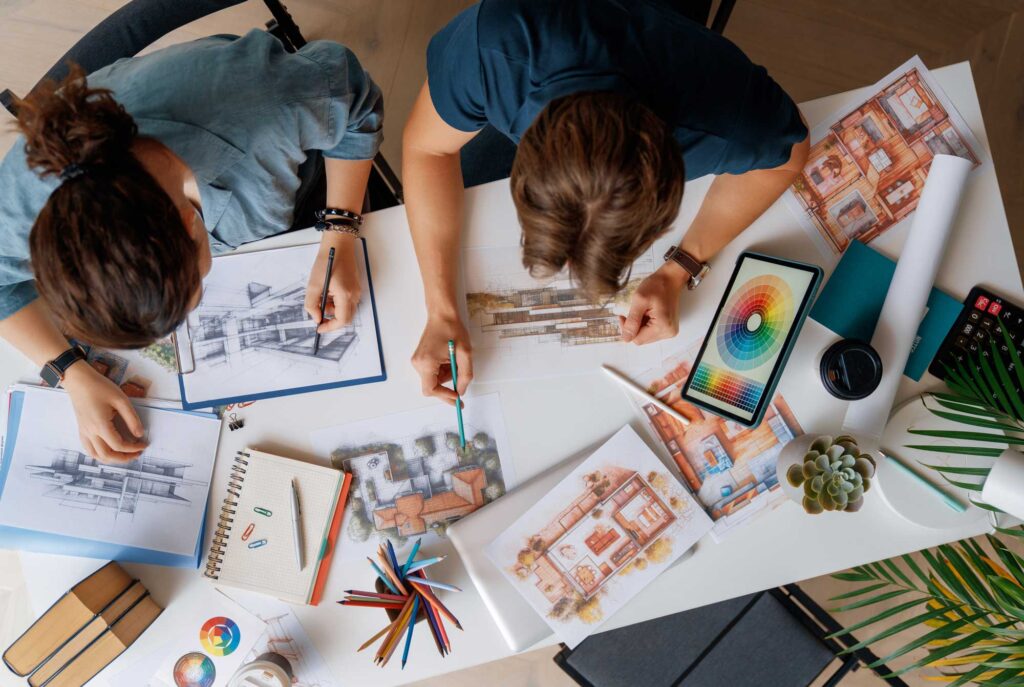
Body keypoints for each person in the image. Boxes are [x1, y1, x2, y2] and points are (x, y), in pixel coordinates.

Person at [0, 30, 383, 462]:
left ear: (191, 224)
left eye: (196, 287)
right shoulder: (26, 205)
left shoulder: (266, 103)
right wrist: (70, 371)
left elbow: (358, 102)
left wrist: (340, 230)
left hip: (310, 186)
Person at [403, 0, 809, 405]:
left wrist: (680, 267)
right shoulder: (494, 44)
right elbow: (427, 149)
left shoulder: (725, 113)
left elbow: (789, 157)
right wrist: (441, 309)